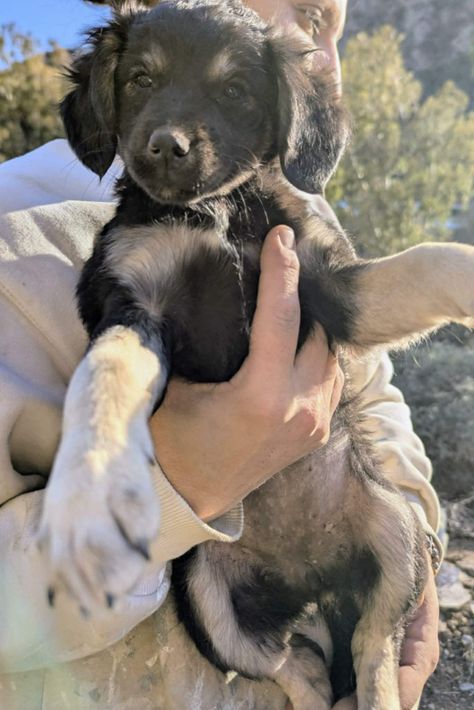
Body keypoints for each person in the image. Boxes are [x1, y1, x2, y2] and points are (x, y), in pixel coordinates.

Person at [0, 0, 441, 708]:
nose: (318, 55)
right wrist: (180, 486)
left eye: (327, 26)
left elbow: (376, 395)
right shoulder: (15, 222)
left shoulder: (295, 209)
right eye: (301, 13)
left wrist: (411, 553)